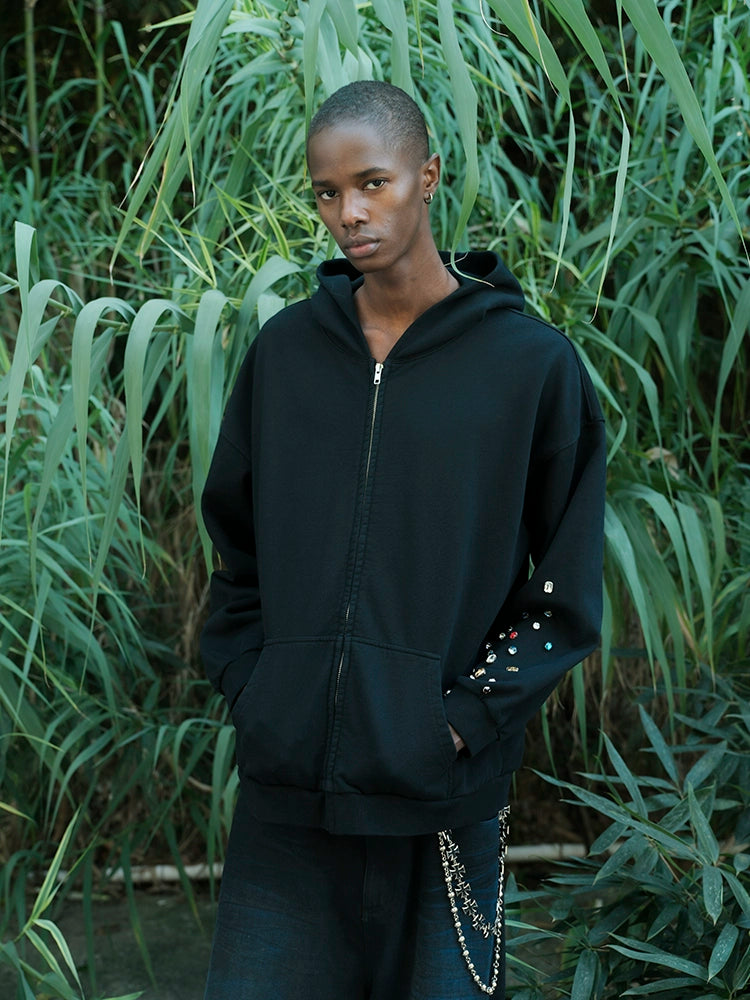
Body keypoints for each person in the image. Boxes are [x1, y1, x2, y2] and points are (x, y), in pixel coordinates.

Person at [200, 80, 606, 999]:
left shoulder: (529, 365)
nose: (349, 212)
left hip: (444, 801)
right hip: (287, 803)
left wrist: (459, 722)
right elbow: (236, 544)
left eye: (372, 183)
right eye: (327, 192)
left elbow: (565, 589)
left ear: (427, 176)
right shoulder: (287, 354)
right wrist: (257, 687)